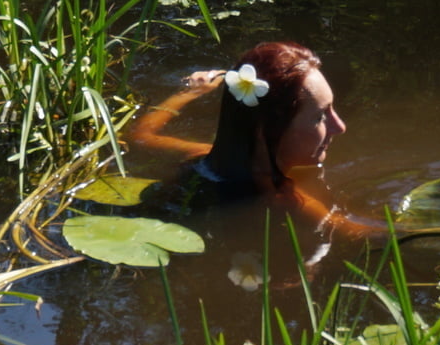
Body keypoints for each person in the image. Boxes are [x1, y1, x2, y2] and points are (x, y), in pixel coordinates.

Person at [127, 41, 383, 239]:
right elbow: (356, 233)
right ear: (266, 131)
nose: (340, 127)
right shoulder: (280, 195)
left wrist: (189, 93)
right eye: (320, 117)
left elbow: (141, 137)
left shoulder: (203, 156)